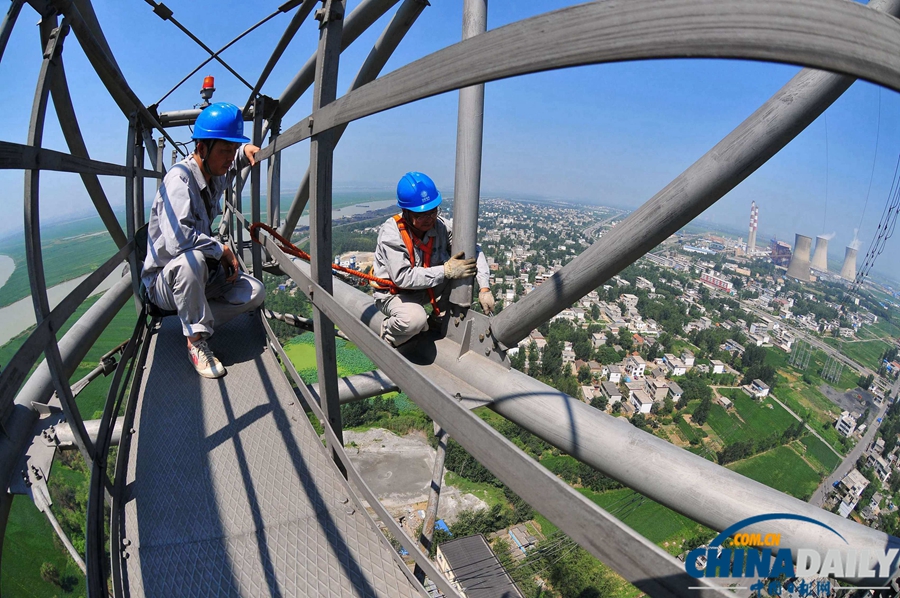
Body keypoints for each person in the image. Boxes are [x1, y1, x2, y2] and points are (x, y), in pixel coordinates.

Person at [142, 102, 265, 378]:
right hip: (165, 280)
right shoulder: (179, 181)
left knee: (255, 293)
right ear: (201, 149)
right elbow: (178, 244)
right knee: (191, 260)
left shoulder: (214, 171)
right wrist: (221, 250)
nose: (229, 157)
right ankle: (196, 341)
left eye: (232, 149)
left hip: (197, 275)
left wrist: (244, 152)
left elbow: (231, 165)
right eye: (225, 150)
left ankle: (194, 319)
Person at [373, 171, 494, 347]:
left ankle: (438, 321)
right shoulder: (392, 234)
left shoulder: (441, 226)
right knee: (414, 320)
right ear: (406, 212)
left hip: (423, 290)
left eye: (433, 212)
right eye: (421, 215)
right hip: (394, 294)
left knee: (462, 268)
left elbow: (473, 251)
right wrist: (446, 271)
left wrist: (484, 288)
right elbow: (403, 277)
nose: (429, 219)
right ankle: (389, 334)